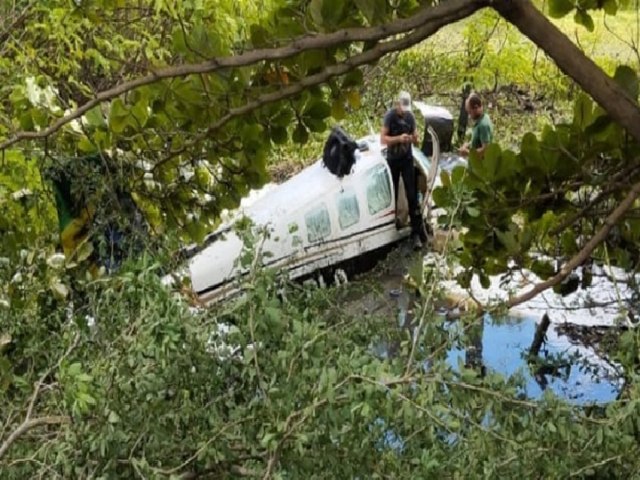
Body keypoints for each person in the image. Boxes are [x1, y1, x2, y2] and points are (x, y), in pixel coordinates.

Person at [381, 91, 426, 250]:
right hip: (393, 160)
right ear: (397, 104)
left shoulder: (410, 117)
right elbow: (383, 139)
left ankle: (416, 232)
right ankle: (392, 225)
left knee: (412, 195)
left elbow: (416, 136)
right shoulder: (390, 116)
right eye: (402, 107)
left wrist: (413, 138)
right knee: (392, 193)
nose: (404, 111)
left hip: (407, 159)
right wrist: (398, 139)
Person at [458, 93, 493, 158]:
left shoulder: (483, 125)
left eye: (470, 112)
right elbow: (478, 140)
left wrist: (467, 153)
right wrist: (467, 145)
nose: (469, 116)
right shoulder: (481, 119)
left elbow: (485, 150)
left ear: (476, 108)